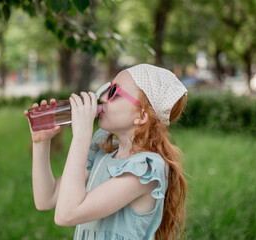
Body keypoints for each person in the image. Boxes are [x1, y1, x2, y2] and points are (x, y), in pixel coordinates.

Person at [24, 64, 188, 240]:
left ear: (141, 115)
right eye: (107, 88)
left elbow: (66, 214)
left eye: (113, 93)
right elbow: (46, 199)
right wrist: (41, 142)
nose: (101, 97)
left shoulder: (144, 170)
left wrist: (81, 136)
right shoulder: (103, 154)